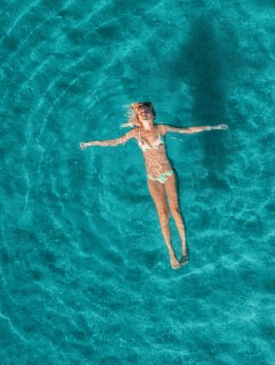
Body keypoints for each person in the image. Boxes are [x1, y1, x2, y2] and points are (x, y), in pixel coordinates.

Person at [80, 102, 227, 269]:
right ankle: (171, 253)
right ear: (138, 117)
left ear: (153, 115)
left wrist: (213, 127)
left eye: (146, 111)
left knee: (176, 211)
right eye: (141, 112)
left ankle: (185, 249)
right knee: (163, 215)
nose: (143, 113)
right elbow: (115, 142)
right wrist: (91, 143)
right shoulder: (136, 133)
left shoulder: (161, 129)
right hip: (152, 178)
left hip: (168, 174)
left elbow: (187, 130)